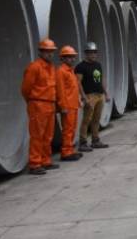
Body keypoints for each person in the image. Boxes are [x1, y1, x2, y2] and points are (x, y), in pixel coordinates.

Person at [21, 39, 61, 175]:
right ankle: (35, 164)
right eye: (47, 51)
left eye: (52, 52)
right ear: (41, 52)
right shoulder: (34, 67)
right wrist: (32, 101)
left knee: (48, 135)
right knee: (37, 135)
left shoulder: (51, 68)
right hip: (38, 104)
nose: (50, 54)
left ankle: (45, 161)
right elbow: (26, 88)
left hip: (49, 104)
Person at [75, 41, 110, 151]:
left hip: (99, 95)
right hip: (90, 96)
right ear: (86, 53)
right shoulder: (80, 67)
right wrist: (84, 97)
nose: (93, 54)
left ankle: (95, 140)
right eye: (91, 52)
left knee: (96, 119)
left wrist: (106, 93)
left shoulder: (98, 65)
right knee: (87, 120)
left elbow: (101, 80)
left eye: (95, 52)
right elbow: (78, 82)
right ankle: (83, 142)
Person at [57, 46, 84, 161]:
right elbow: (60, 90)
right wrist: (63, 106)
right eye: (69, 57)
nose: (72, 59)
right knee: (67, 130)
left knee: (72, 129)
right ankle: (66, 153)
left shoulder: (70, 71)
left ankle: (70, 150)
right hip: (67, 106)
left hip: (73, 105)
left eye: (73, 57)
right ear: (62, 58)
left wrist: (78, 101)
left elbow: (73, 89)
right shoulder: (61, 72)